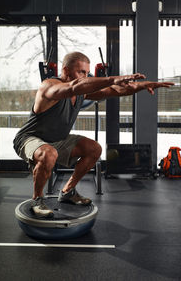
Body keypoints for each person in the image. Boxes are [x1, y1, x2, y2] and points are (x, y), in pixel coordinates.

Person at [13, 51, 174, 218]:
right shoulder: (49, 86)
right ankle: (37, 199)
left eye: (87, 72)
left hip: (57, 140)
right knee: (48, 153)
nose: (85, 76)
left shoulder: (81, 92)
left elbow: (114, 90)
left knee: (94, 149)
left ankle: (68, 191)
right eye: (81, 72)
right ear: (66, 71)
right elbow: (73, 86)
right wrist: (112, 78)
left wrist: (140, 86)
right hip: (29, 138)